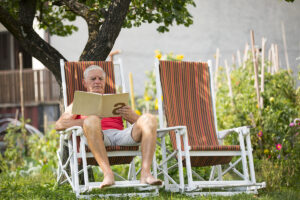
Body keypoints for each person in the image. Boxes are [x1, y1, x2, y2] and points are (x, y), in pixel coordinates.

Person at [55, 65, 162, 188]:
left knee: (149, 118)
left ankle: (146, 173)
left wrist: (132, 115)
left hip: (120, 135)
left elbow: (145, 125)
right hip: (96, 136)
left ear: (104, 82)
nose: (97, 82)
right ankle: (108, 175)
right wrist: (87, 120)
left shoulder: (114, 99)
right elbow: (59, 125)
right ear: (84, 83)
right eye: (93, 79)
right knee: (92, 121)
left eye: (100, 79)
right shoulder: (79, 102)